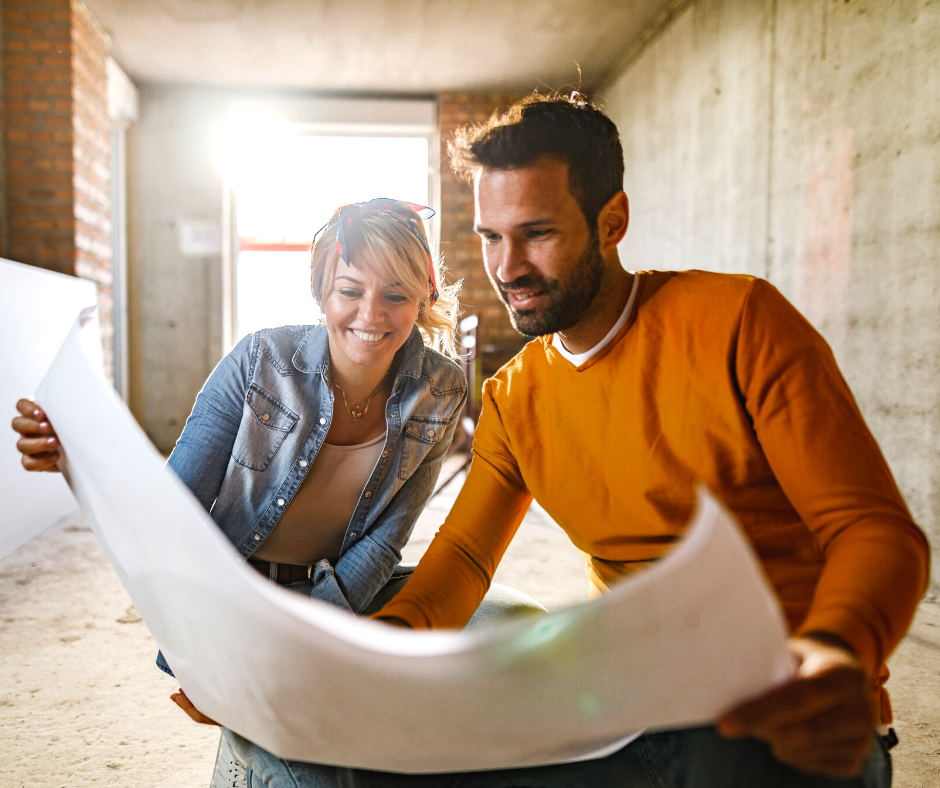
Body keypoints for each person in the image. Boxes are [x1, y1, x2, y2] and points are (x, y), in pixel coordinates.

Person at [334, 94, 930, 788]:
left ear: (611, 221)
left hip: (776, 704)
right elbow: (465, 557)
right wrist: (381, 655)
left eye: (537, 232)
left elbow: (874, 531)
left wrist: (836, 652)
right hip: (625, 705)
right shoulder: (512, 394)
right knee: (375, 758)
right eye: (492, 237)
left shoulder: (740, 322)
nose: (507, 267)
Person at [14, 199, 534, 787]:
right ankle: (257, 743)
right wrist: (75, 459)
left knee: (518, 626)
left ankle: (265, 726)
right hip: (236, 604)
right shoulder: (260, 361)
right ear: (320, 292)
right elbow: (171, 512)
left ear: (423, 300)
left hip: (340, 595)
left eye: (396, 293)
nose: (372, 313)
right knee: (319, 757)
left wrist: (315, 644)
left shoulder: (440, 390)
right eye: (349, 290)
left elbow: (387, 542)